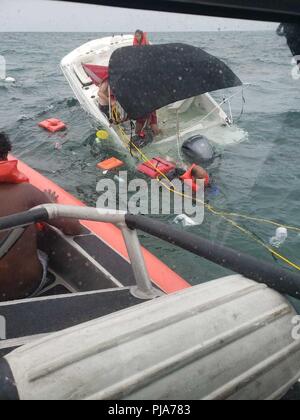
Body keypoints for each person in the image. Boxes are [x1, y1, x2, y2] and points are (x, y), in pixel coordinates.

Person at [0, 132, 83, 301]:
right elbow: (74, 227)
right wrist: (51, 205)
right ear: (5, 156)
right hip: (28, 287)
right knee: (41, 248)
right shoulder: (25, 192)